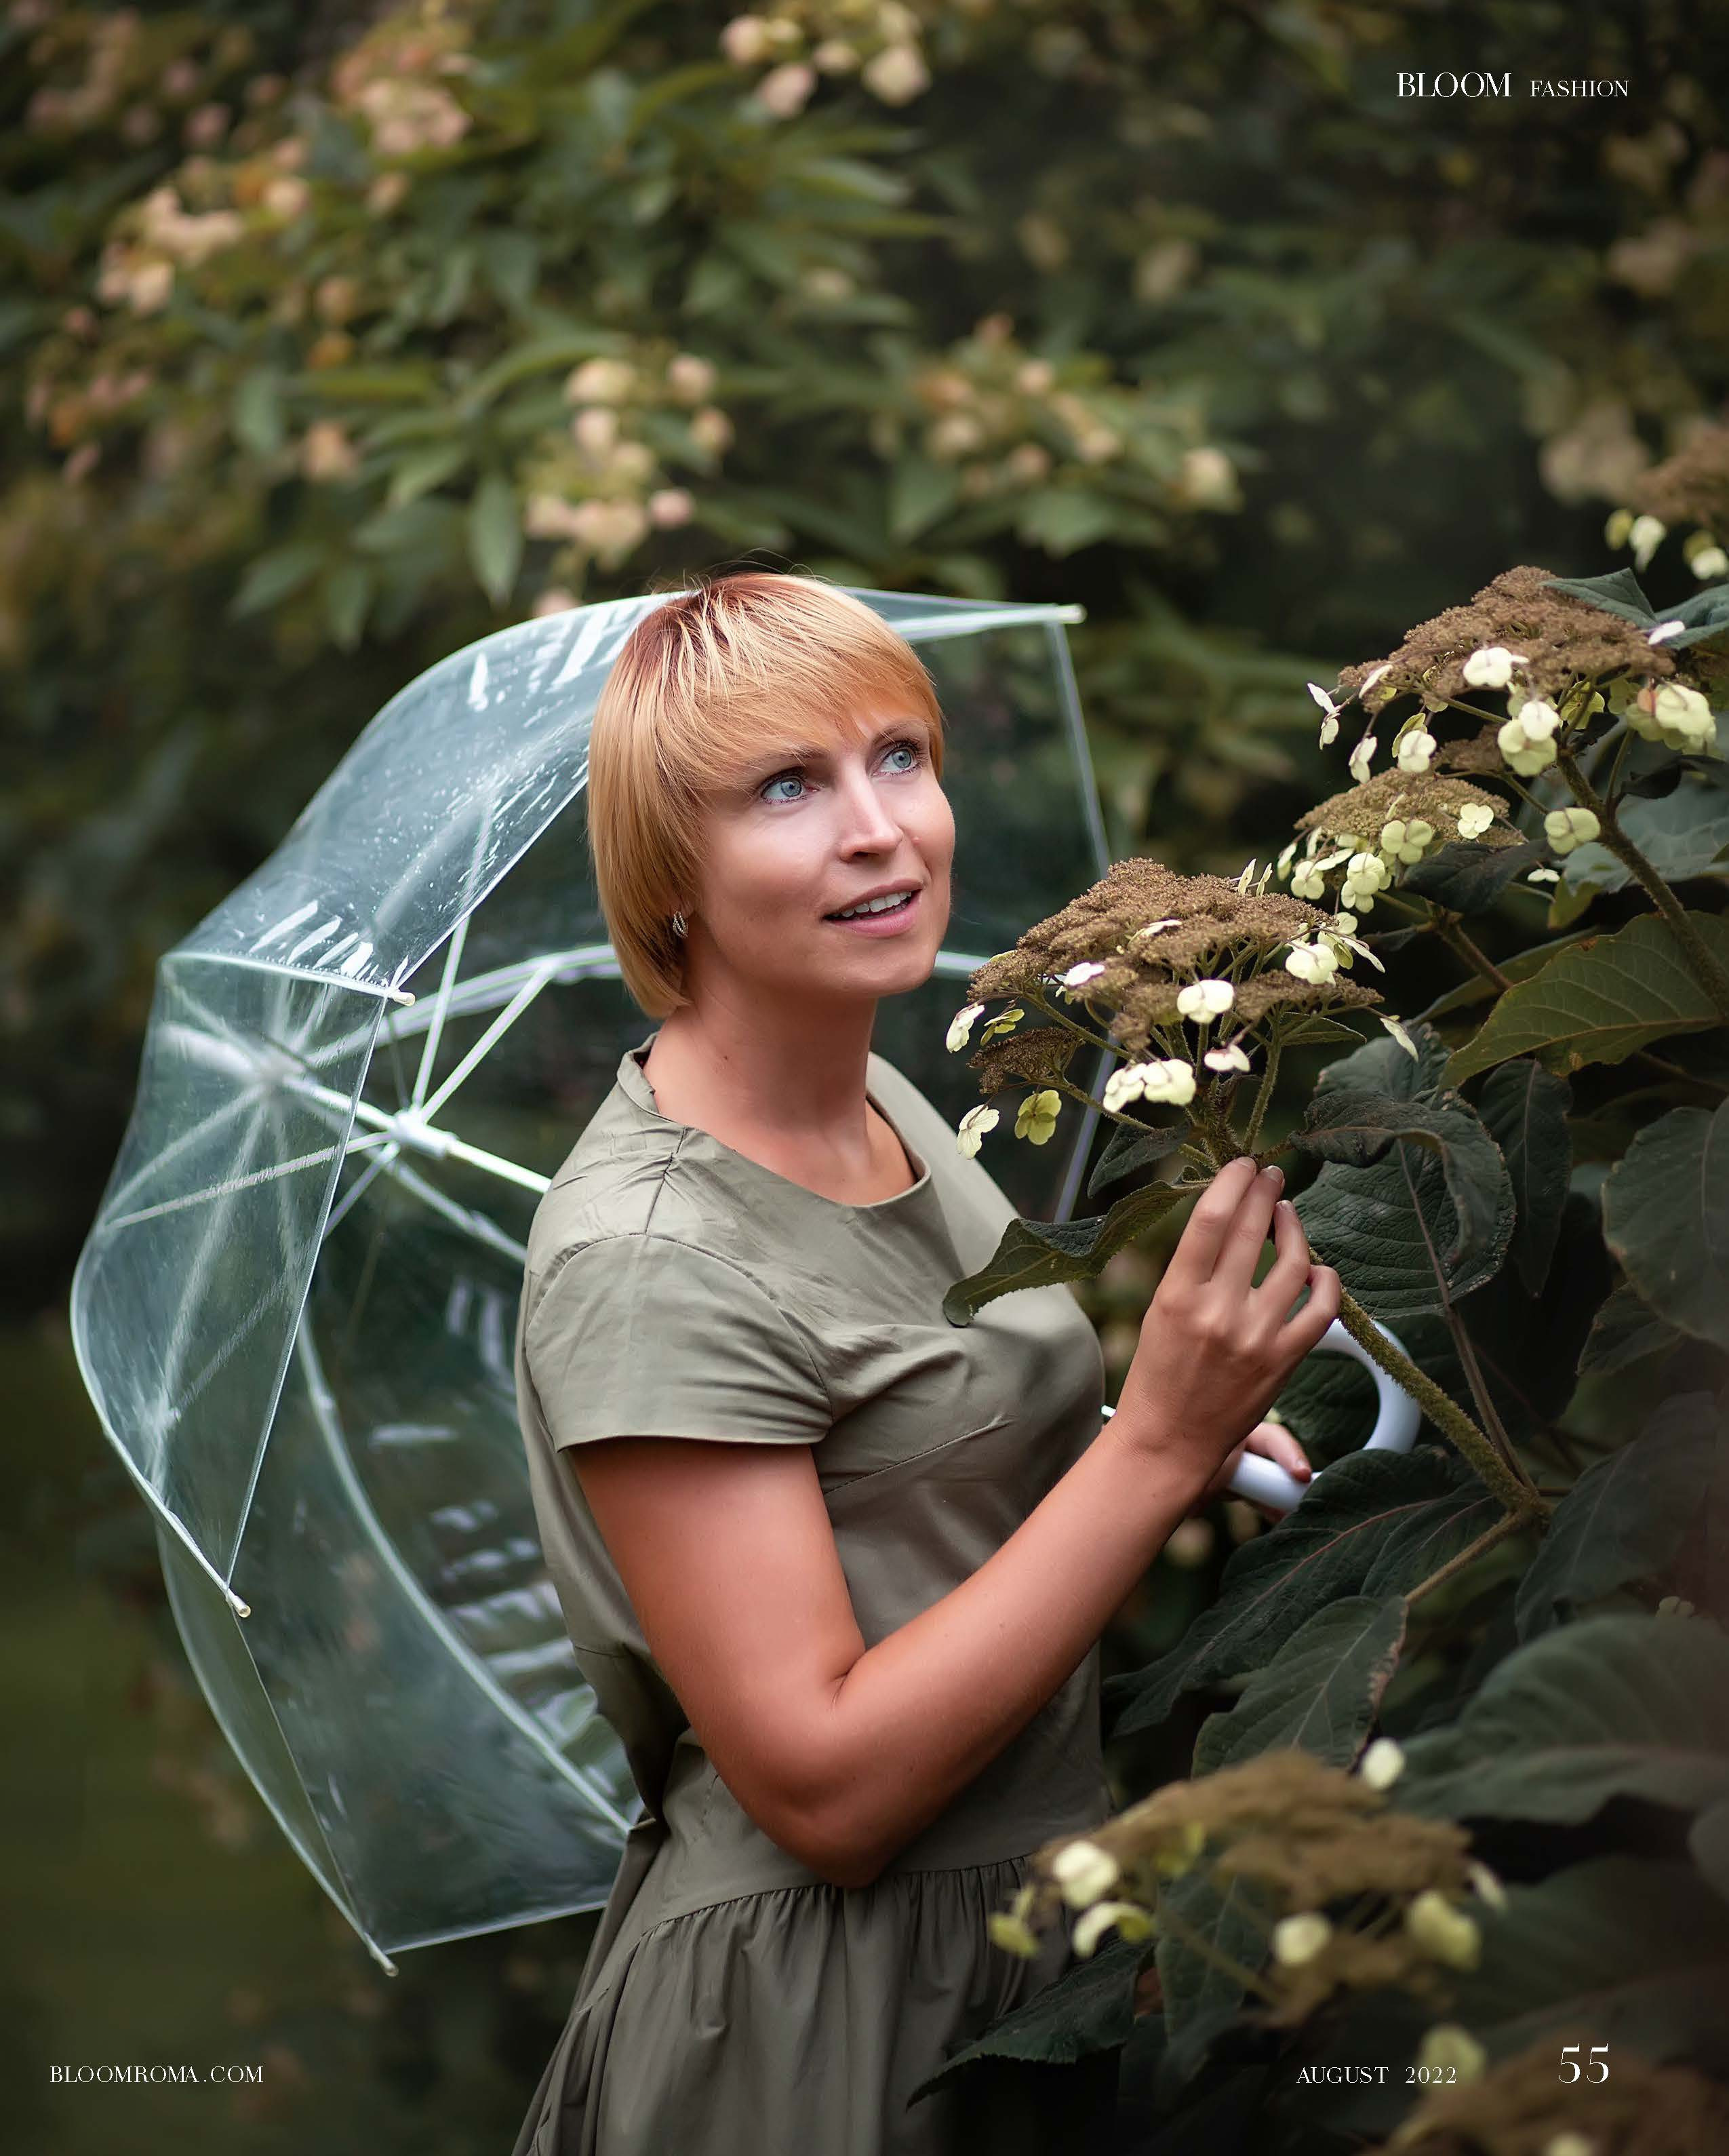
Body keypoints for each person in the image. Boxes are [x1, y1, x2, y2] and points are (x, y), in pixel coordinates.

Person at [509, 570, 1334, 2156]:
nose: (882, 828)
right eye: (786, 787)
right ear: (670, 873)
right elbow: (825, 1793)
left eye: (900, 754)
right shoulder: (645, 1262)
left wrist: (1181, 1421)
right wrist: (1150, 1443)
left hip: (1021, 1951)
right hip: (820, 2026)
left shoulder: (879, 1104)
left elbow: (903, 1434)